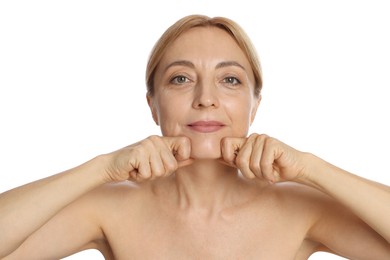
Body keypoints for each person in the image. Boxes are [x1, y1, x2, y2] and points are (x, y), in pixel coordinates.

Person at [0, 14, 389, 259]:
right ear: (153, 105)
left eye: (230, 80)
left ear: (254, 106)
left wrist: (311, 168)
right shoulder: (111, 209)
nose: (206, 99)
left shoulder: (301, 208)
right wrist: (101, 169)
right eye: (181, 79)